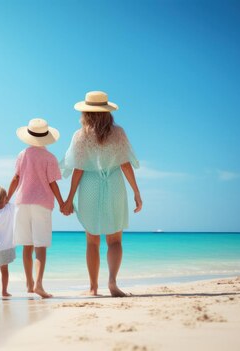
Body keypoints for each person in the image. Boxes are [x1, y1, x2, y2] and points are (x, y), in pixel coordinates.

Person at [60, 91, 142, 297]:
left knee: (92, 241)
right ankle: (112, 282)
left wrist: (69, 199)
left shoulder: (80, 136)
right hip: (113, 184)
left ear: (85, 113)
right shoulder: (119, 132)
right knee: (114, 240)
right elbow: (125, 164)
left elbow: (77, 169)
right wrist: (136, 192)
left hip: (89, 186)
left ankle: (93, 288)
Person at [7, 118, 64, 298]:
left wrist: (7, 198)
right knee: (40, 246)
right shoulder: (50, 158)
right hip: (42, 203)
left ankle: (29, 284)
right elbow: (52, 183)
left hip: (22, 202)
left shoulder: (22, 154)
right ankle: (39, 284)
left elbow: (15, 179)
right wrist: (62, 203)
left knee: (27, 245)